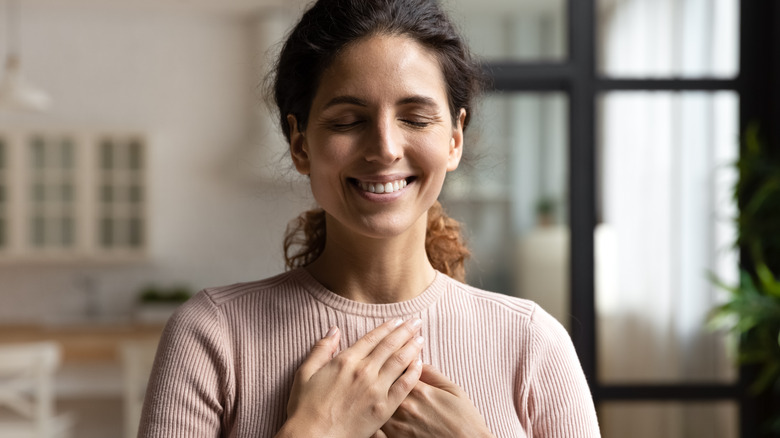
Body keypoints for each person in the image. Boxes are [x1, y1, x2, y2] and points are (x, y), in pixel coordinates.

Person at [138, 0, 601, 436]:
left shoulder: (531, 343)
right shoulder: (213, 336)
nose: (385, 148)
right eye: (347, 121)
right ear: (300, 144)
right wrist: (313, 429)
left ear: (455, 139)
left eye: (415, 118)